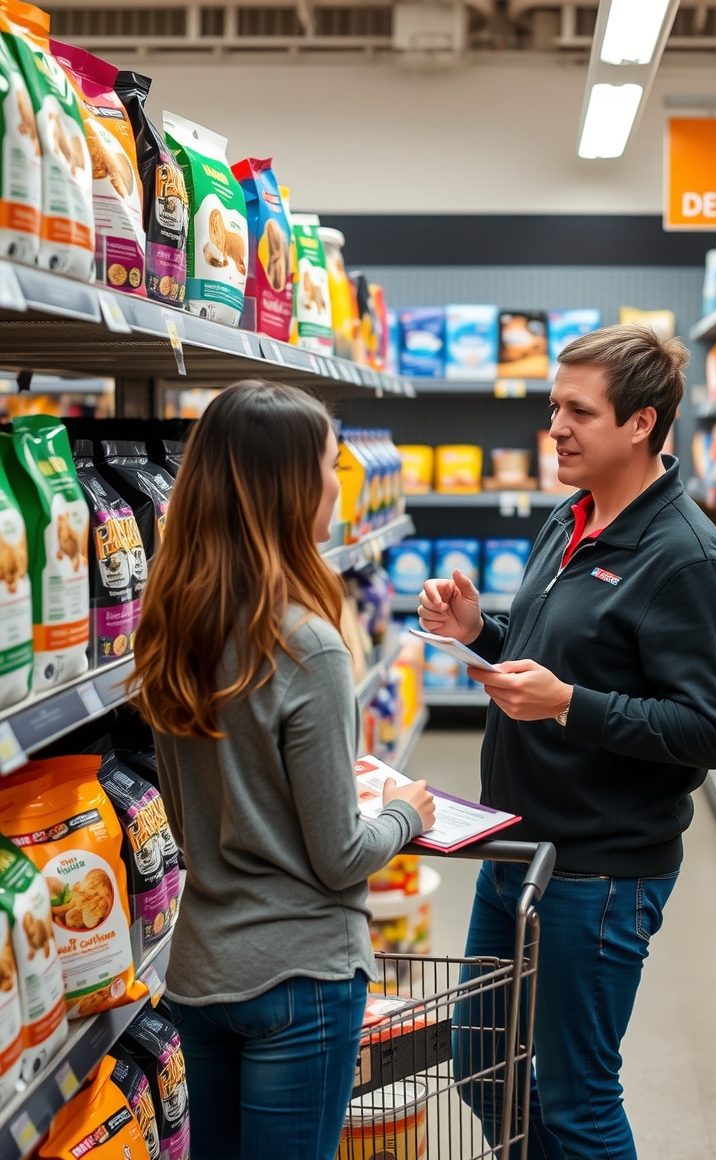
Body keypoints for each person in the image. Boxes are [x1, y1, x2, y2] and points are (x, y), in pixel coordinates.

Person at [419, 324, 716, 1160]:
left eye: (577, 411)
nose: (555, 427)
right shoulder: (572, 514)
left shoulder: (687, 560)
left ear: (641, 423)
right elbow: (549, 651)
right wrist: (481, 632)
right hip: (515, 849)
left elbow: (707, 731)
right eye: (553, 406)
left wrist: (570, 706)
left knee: (575, 1098)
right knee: (483, 1064)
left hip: (598, 875)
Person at [131, 381, 436, 1160]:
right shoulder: (308, 644)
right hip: (301, 978)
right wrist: (405, 812)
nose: (342, 482)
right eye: (331, 466)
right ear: (292, 487)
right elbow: (339, 856)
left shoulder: (171, 625)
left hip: (200, 967)